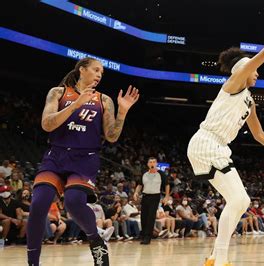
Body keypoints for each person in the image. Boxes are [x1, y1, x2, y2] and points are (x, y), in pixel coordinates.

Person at [187, 9, 264, 266]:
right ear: (243, 69)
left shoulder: (249, 102)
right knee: (240, 200)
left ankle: (214, 257)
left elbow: (259, 134)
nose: (258, 73)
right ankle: (219, 259)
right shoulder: (235, 83)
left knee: (238, 201)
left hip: (215, 146)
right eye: (253, 69)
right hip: (207, 142)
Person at [26, 57, 139, 266]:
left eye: (101, 73)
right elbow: (47, 124)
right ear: (81, 70)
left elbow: (112, 136)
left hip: (85, 158)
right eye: (96, 70)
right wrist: (75, 105)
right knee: (38, 205)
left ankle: (96, 241)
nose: (99, 75)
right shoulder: (58, 93)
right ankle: (33, 262)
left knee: (73, 202)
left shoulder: (104, 100)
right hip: (56, 155)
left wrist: (122, 112)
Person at [133, 157, 170, 244]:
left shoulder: (161, 174)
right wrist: (135, 192)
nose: (152, 164)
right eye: (150, 162)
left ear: (156, 164)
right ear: (148, 164)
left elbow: (167, 185)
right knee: (144, 216)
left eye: (154, 162)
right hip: (145, 196)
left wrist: (167, 196)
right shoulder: (144, 174)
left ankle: (148, 237)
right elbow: (139, 185)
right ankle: (143, 234)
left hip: (155, 197)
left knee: (151, 216)